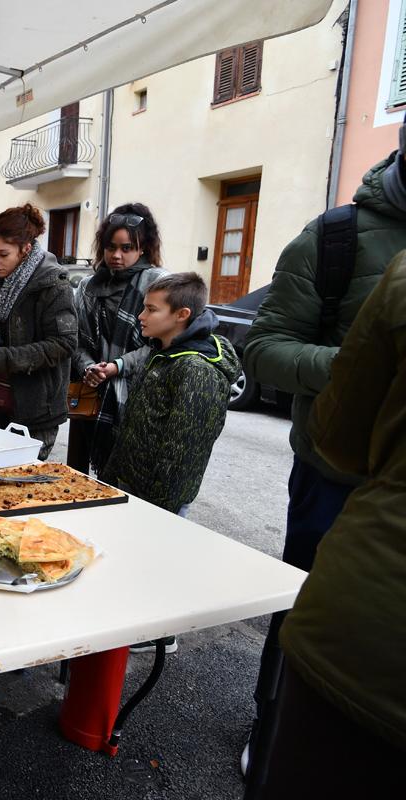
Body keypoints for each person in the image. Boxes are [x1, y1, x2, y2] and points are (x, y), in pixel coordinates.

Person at [240, 120, 406, 779]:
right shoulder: (336, 237)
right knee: (307, 615)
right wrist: (362, 363)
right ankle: (270, 723)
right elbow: (264, 348)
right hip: (333, 475)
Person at [99, 272, 238, 519]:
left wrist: (158, 512)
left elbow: (183, 454)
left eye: (151, 310)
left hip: (157, 504)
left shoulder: (196, 371)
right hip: (132, 486)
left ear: (181, 315)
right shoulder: (162, 351)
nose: (141, 316)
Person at [0, 204, 75, 460]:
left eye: (3, 254)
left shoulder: (53, 284)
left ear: (26, 249)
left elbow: (63, 345)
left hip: (33, 409)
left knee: (16, 487)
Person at [70, 203, 167, 474]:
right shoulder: (89, 286)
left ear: (144, 247)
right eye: (110, 247)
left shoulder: (159, 284)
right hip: (91, 393)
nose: (116, 255)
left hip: (139, 397)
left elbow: (160, 345)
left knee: (128, 475)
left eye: (126, 248)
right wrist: (88, 367)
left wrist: (117, 366)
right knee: (84, 473)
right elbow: (76, 340)